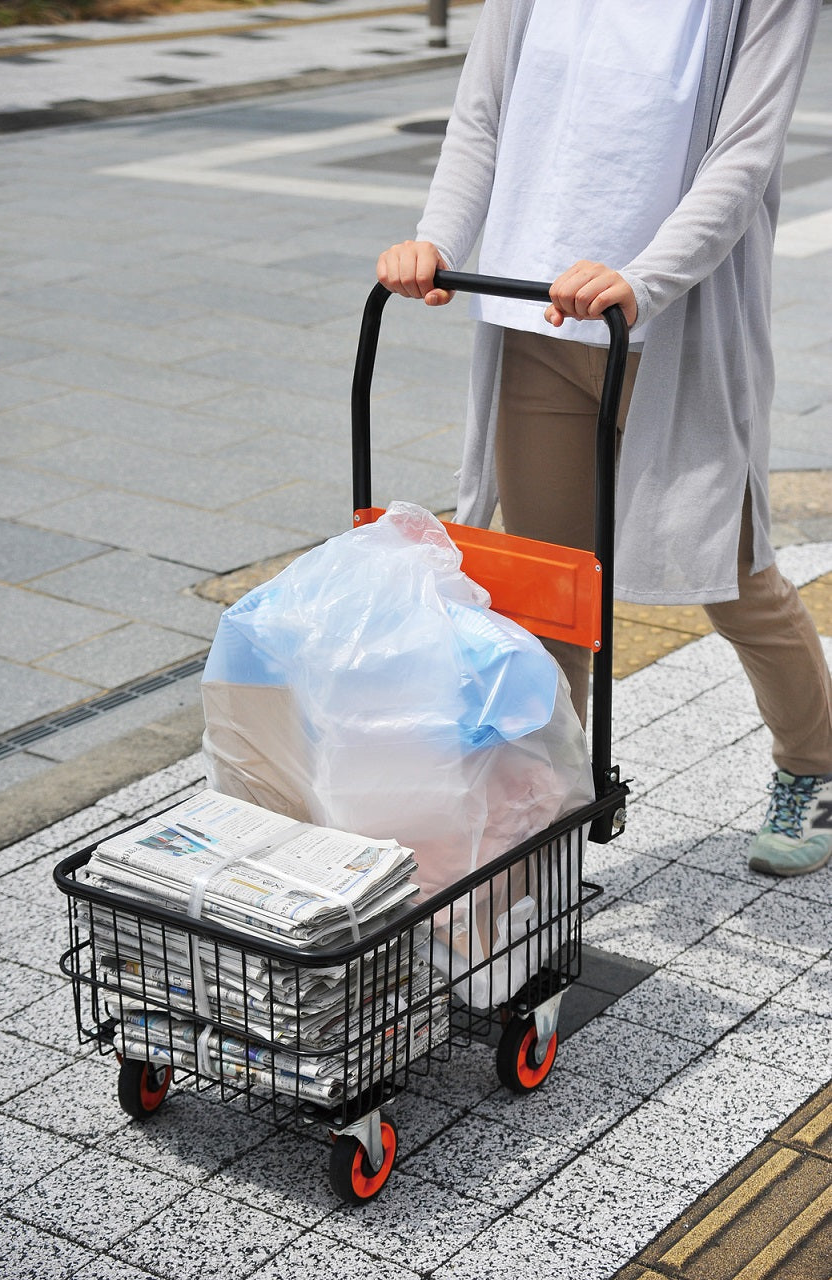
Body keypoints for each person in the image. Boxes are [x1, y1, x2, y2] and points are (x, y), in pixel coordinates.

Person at [377, 0, 832, 877]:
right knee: (547, 590)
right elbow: (483, 117)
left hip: (675, 326)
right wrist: (438, 236)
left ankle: (813, 766)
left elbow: (744, 153)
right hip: (534, 317)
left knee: (728, 573)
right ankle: (543, 808)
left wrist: (643, 277)